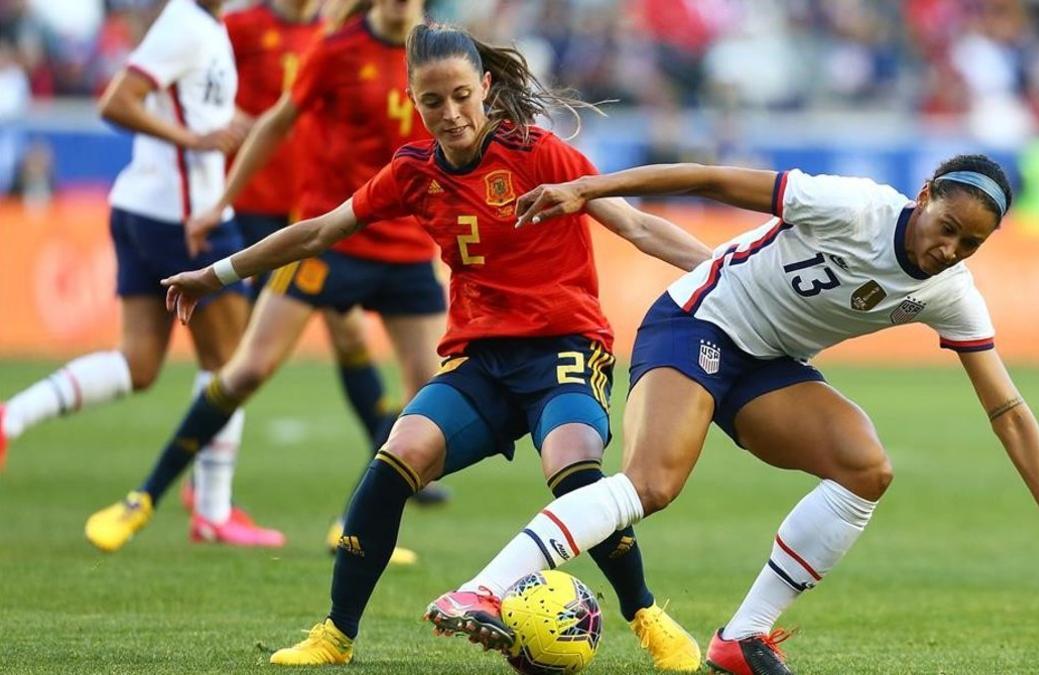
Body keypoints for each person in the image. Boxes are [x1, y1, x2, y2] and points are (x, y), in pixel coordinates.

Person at [432, 155, 1039, 675]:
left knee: (866, 468)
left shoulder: (951, 290)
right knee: (652, 485)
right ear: (923, 195)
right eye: (947, 227)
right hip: (697, 320)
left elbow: (1007, 408)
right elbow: (710, 179)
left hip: (767, 365)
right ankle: (482, 587)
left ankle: (741, 637)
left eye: (969, 244)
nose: (948, 249)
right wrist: (589, 187)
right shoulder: (852, 206)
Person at [159, 22, 714, 671]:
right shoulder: (413, 173)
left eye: (459, 96)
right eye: (432, 101)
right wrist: (217, 272)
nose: (449, 114)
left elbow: (638, 224)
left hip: (565, 348)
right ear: (415, 101)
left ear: (483, 88)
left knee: (571, 466)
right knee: (399, 453)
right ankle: (335, 636)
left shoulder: (540, 155)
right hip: (482, 360)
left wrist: (732, 270)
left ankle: (646, 614)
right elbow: (316, 232)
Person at [82, 0, 451, 557]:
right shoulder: (336, 50)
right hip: (328, 235)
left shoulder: (443, 54)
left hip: (406, 246)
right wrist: (221, 203)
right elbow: (277, 124)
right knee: (248, 368)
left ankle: (351, 524)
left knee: (428, 400)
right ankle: (143, 498)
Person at [0, 0, 285, 547]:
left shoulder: (203, 25)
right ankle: (213, 509)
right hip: (187, 218)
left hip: (144, 207)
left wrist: (218, 129)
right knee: (231, 361)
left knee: (140, 363)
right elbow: (117, 102)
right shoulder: (185, 23)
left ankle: (11, 417)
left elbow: (180, 108)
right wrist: (194, 141)